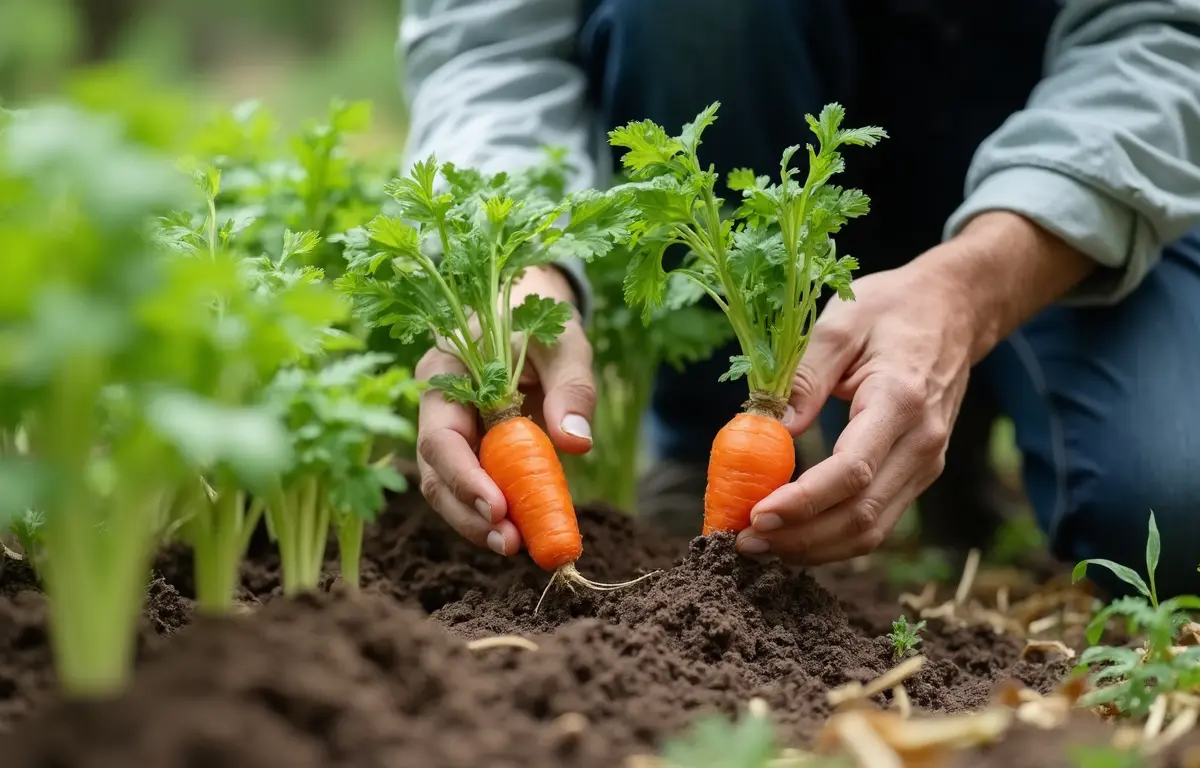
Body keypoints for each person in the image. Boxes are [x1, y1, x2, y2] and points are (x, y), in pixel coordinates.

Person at [398, 0, 1200, 597]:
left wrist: (974, 288)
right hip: (775, 88)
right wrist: (514, 263)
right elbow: (489, 47)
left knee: (1174, 516)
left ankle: (967, 414)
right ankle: (701, 448)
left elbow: (1167, 36)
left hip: (1081, 158)